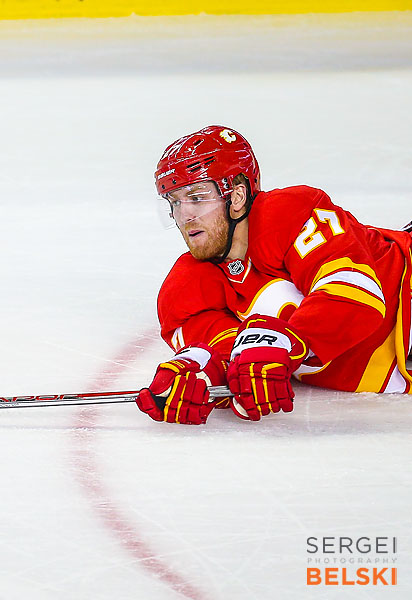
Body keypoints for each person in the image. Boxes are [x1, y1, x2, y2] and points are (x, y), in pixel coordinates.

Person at [136, 125, 412, 424]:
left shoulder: (286, 214)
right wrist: (204, 374)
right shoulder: (185, 291)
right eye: (175, 202)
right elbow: (235, 359)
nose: (185, 214)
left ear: (238, 195)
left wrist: (288, 341)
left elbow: (358, 296)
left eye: (197, 197)